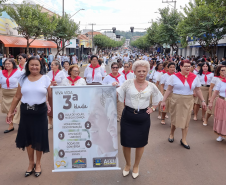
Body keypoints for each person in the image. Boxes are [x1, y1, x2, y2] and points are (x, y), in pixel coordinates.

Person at [6, 56, 51, 177]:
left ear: (41, 66)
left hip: (40, 112)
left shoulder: (46, 79)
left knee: (39, 137)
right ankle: (31, 163)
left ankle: (39, 164)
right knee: (28, 138)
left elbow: (51, 96)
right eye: (32, 65)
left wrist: (52, 110)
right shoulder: (23, 78)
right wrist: (10, 111)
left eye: (37, 65)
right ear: (28, 66)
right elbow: (17, 96)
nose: (34, 67)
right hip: (26, 112)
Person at [117, 60, 163, 179]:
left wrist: (153, 107)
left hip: (143, 117)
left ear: (147, 72)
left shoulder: (151, 85)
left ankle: (136, 165)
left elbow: (159, 97)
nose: (141, 73)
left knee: (140, 143)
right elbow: (118, 94)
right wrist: (113, 86)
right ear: (134, 72)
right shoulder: (127, 83)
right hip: (128, 116)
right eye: (139, 71)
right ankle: (127, 164)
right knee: (126, 143)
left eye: (144, 71)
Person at [161, 60, 206, 149]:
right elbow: (169, 90)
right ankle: (171, 134)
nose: (187, 68)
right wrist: (163, 100)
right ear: (180, 67)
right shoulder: (174, 77)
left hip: (188, 100)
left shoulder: (194, 77)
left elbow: (198, 90)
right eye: (185, 66)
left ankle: (184, 139)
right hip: (176, 100)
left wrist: (203, 100)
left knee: (186, 120)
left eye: (189, 66)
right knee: (175, 118)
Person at [0, 58, 22, 133]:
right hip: (5, 93)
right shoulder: (1, 72)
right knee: (8, 110)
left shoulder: (18, 72)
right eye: (6, 64)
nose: (7, 65)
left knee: (18, 109)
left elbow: (22, 82)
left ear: (13, 64)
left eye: (9, 63)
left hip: (16, 93)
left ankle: (20, 125)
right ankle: (11, 125)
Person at [47, 60, 66, 129]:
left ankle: (59, 122)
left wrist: (57, 84)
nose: (51, 66)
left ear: (57, 66)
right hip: (51, 91)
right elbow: (46, 81)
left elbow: (65, 83)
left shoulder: (62, 73)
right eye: (51, 65)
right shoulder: (49, 73)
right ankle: (49, 123)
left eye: (52, 65)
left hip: (59, 91)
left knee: (59, 107)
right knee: (50, 106)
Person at [209, 73, 226, 142]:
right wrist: (211, 102)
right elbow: (215, 92)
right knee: (221, 118)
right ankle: (221, 134)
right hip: (221, 101)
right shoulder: (221, 83)